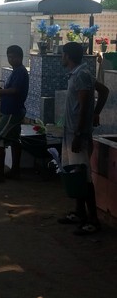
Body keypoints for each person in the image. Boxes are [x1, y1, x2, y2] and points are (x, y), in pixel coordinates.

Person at [57, 42, 109, 235]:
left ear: (68, 56)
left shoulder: (80, 75)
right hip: (72, 132)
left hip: (77, 134)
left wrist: (80, 133)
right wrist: (96, 114)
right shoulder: (80, 73)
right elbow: (104, 92)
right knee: (77, 175)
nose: (62, 58)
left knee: (83, 177)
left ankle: (93, 221)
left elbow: (85, 104)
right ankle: (79, 213)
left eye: (63, 55)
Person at [0, 45, 29, 183]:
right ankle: (15, 170)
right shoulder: (16, 71)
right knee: (15, 140)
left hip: (12, 112)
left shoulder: (20, 71)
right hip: (12, 110)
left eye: (13, 57)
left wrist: (0, 92)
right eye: (9, 56)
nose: (10, 59)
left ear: (20, 57)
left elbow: (14, 90)